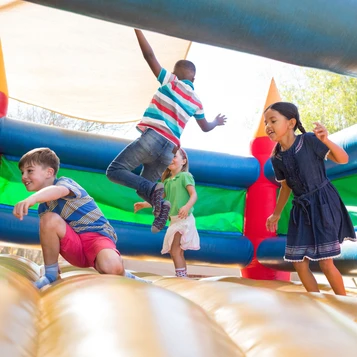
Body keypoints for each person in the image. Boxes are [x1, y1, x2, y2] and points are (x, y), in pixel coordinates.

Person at [106, 29, 226, 234]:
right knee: (145, 188)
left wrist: (137, 28)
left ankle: (156, 197)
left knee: (115, 171)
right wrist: (215, 122)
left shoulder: (171, 81)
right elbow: (205, 127)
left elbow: (149, 56)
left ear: (175, 73)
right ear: (194, 79)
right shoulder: (196, 101)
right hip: (169, 149)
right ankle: (162, 208)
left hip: (152, 138)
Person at [13, 147, 148, 288]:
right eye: (22, 172)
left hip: (96, 237)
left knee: (111, 268)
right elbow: (52, 238)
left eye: (29, 171)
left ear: (49, 172)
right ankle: (51, 274)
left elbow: (57, 191)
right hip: (75, 248)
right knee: (48, 219)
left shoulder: (65, 184)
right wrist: (51, 263)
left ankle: (125, 274)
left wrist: (32, 199)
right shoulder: (44, 208)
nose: (23, 176)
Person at [265, 102, 356, 295]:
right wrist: (276, 213)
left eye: (273, 120)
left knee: (325, 262)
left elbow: (343, 159)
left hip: (323, 202)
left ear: (291, 123)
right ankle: (317, 304)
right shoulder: (277, 158)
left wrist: (326, 140)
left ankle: (344, 305)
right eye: (266, 122)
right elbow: (286, 186)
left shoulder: (308, 141)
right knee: (299, 263)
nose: (268, 126)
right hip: (302, 209)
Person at [134, 148, 199, 277]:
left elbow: (194, 195)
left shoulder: (185, 176)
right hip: (174, 220)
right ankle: (182, 275)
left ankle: (181, 277)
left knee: (175, 250)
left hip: (184, 219)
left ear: (183, 161)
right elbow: (160, 200)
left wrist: (186, 207)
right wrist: (143, 204)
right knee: (175, 251)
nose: (171, 159)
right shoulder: (167, 181)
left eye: (175, 156)